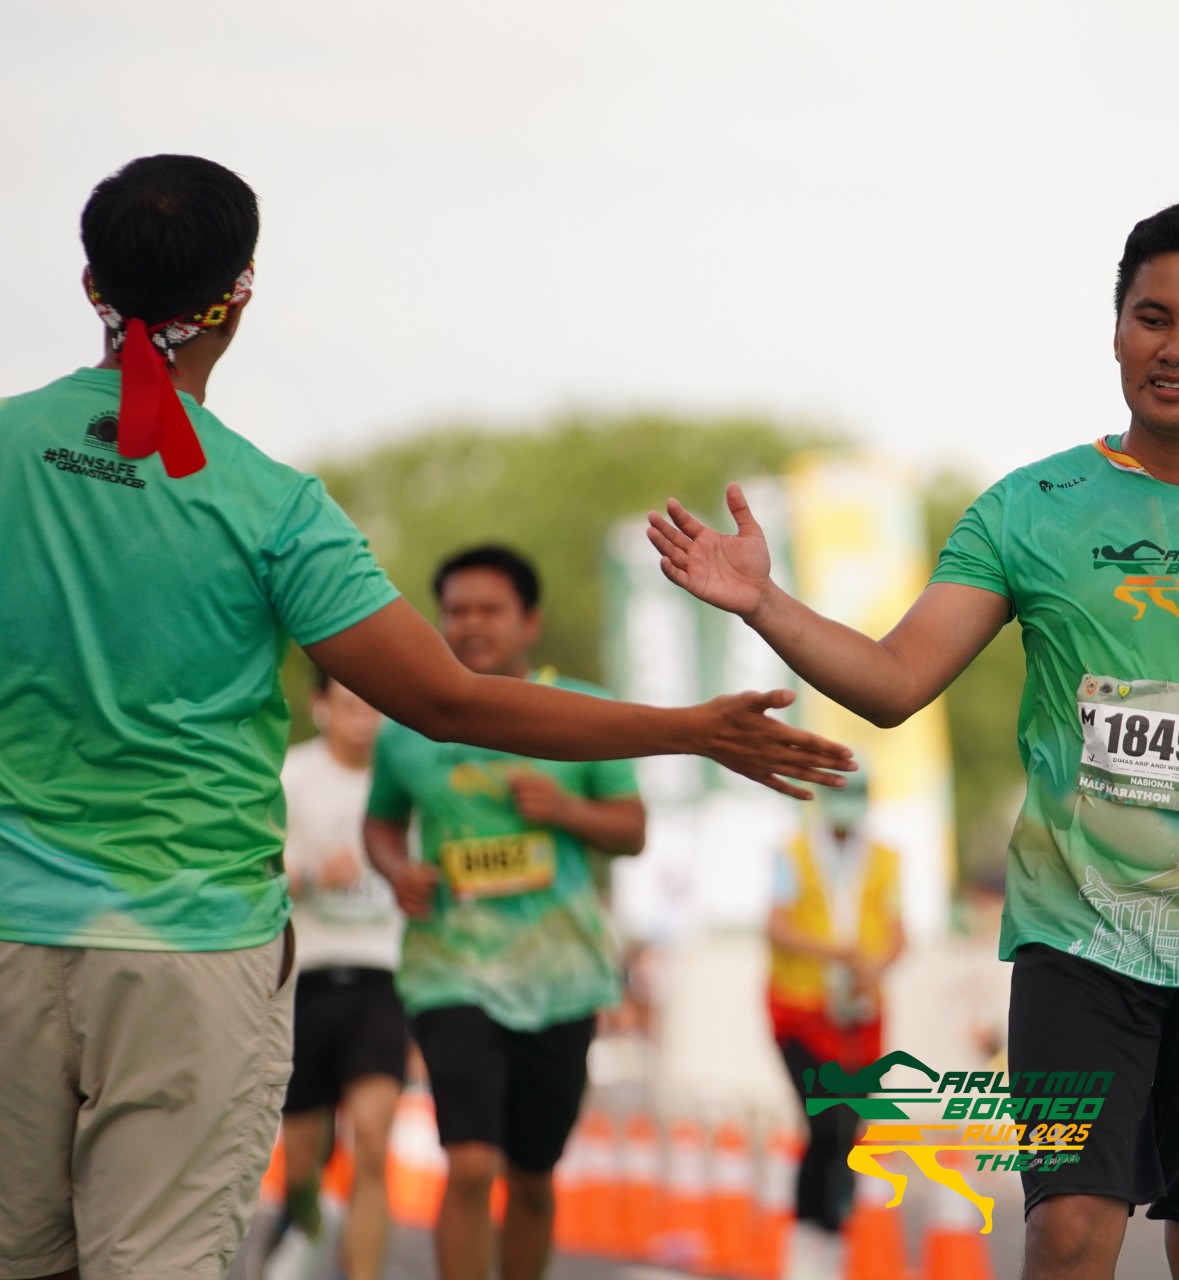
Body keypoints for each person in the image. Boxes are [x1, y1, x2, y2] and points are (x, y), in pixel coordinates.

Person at [0, 154, 851, 1280]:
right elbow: (446, 700)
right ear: (240, 293)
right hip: (187, 948)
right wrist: (689, 726)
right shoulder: (269, 508)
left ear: (90, 284)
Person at [649, 198, 1179, 1278]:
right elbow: (894, 681)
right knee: (1069, 1230)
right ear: (1116, 328)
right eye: (1151, 317)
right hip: (1076, 937)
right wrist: (764, 602)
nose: (1174, 346)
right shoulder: (1029, 507)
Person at [363, 545, 651, 1280]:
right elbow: (382, 823)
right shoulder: (408, 724)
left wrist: (566, 810)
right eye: (456, 611)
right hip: (450, 969)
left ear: (530, 621)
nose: (471, 624)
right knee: (469, 1164)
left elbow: (632, 831)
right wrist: (397, 871)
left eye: (489, 610)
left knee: (530, 1177)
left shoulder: (586, 712)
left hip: (563, 978)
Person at [267, 671, 405, 1280]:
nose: (364, 719)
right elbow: (255, 877)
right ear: (320, 706)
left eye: (374, 706)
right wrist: (317, 874)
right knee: (303, 1163)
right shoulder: (290, 777)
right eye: (350, 705)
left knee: (373, 1142)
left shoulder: (406, 779)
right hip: (307, 978)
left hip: (383, 978)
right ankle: (298, 1239)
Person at [765, 770, 906, 1278]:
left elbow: (897, 932)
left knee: (849, 1129)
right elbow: (776, 925)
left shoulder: (886, 859)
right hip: (800, 1009)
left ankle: (832, 1242)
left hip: (860, 1016)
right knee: (825, 1122)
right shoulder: (793, 853)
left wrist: (873, 969)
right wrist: (834, 952)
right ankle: (807, 1241)